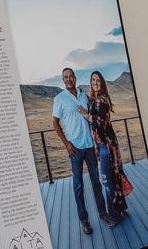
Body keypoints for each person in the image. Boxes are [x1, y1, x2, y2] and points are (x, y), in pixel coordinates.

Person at [50, 66, 106, 236]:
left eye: (71, 76)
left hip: (89, 146)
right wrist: (67, 144)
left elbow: (91, 118)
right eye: (65, 77)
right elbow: (55, 123)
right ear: (63, 80)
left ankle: (103, 212)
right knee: (78, 185)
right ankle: (84, 220)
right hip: (74, 148)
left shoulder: (84, 96)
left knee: (96, 181)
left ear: (75, 78)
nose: (68, 79)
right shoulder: (59, 99)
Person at [86, 70, 129, 227]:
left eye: (98, 80)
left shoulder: (102, 100)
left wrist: (85, 114)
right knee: (112, 176)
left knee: (106, 180)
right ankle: (121, 207)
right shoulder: (94, 99)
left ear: (102, 82)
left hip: (106, 146)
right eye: (93, 80)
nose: (95, 82)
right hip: (102, 145)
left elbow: (97, 121)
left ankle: (115, 216)